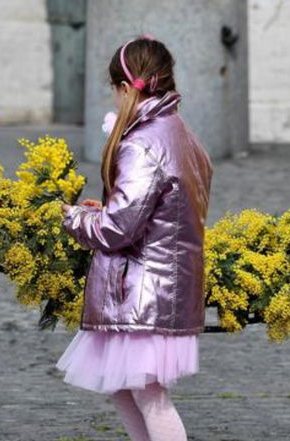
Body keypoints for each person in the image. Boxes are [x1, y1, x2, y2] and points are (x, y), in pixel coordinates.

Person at [55, 33, 213, 441]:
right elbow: (152, 212)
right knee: (124, 388)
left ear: (126, 88)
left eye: (114, 91)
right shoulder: (179, 132)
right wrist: (103, 211)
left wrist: (71, 217)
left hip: (144, 291)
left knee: (149, 396)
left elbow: (118, 229)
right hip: (160, 284)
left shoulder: (143, 143)